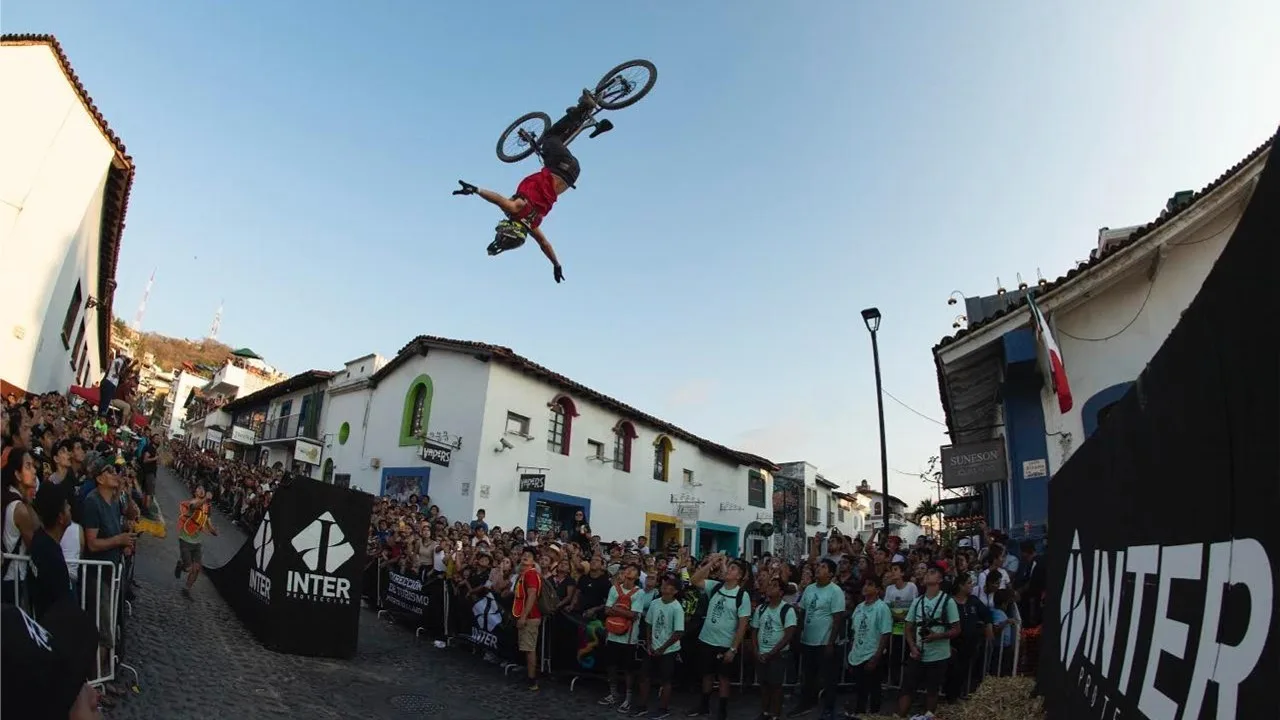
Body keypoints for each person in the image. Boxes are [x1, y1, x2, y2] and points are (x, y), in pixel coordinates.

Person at [454, 92, 600, 284]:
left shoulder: (532, 225)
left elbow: (544, 244)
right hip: (561, 166)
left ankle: (578, 119)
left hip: (569, 173)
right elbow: (498, 199)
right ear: (510, 227)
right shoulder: (515, 210)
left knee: (553, 144)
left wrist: (556, 264)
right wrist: (476, 190)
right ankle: (584, 108)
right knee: (549, 138)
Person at [687, 553, 752, 719]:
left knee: (724, 677)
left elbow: (742, 625)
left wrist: (733, 648)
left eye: (733, 568)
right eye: (728, 567)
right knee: (707, 674)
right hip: (706, 639)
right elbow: (694, 580)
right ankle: (704, 705)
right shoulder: (715, 586)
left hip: (724, 643)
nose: (728, 570)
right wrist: (710, 564)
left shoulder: (741, 595)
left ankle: (722, 709)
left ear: (739, 575)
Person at [897, 566, 960, 719]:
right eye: (927, 572)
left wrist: (937, 636)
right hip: (918, 652)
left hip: (938, 655)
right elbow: (908, 627)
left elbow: (957, 629)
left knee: (932, 690)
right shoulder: (917, 601)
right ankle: (899, 716)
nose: (927, 575)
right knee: (907, 688)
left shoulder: (948, 601)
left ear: (939, 580)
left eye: (932, 572)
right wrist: (912, 647)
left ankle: (928, 717)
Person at [791, 558, 846, 719]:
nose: (818, 569)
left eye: (823, 567)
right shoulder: (809, 589)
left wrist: (830, 642)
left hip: (825, 641)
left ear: (830, 573)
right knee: (808, 675)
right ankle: (806, 703)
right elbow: (802, 612)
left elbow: (837, 619)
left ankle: (829, 708)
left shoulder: (835, 591)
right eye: (818, 566)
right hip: (808, 640)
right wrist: (798, 634)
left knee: (828, 677)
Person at [598, 562, 647, 712]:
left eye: (633, 570)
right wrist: (623, 612)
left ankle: (628, 698)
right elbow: (607, 610)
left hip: (629, 638)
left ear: (637, 576)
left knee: (628, 669)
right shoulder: (614, 588)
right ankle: (613, 693)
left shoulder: (639, 593)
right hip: (612, 635)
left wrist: (616, 609)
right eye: (628, 569)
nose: (629, 571)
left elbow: (634, 615)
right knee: (611, 666)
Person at [636, 573, 684, 719]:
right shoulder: (655, 603)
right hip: (653, 647)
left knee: (666, 680)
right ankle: (642, 706)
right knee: (644, 677)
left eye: (669, 586)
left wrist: (662, 648)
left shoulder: (677, 608)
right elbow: (649, 623)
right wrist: (650, 644)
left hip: (668, 649)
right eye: (664, 585)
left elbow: (678, 632)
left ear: (675, 591)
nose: (664, 587)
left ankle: (663, 708)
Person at [751, 574, 797, 720]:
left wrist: (772, 652)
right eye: (770, 585)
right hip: (762, 652)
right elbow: (755, 630)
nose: (770, 587)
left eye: (775, 586)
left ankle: (775, 714)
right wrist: (756, 650)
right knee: (763, 684)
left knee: (776, 685)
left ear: (781, 592)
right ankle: (764, 711)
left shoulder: (787, 610)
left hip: (777, 654)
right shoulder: (761, 608)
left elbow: (788, 634)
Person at [847, 574, 892, 718]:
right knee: (860, 689)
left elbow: (885, 633)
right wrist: (852, 652)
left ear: (878, 589)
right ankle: (859, 713)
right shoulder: (859, 607)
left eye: (870, 584)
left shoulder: (882, 608)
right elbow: (855, 632)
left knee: (874, 689)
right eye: (865, 584)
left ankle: (874, 715)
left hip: (872, 653)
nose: (865, 587)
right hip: (858, 653)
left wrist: (876, 656)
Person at [174, 485, 218, 598]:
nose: (202, 490)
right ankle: (181, 565)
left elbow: (208, 522)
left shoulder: (207, 507)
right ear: (195, 492)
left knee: (197, 569)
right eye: (199, 488)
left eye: (203, 488)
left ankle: (187, 589)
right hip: (185, 539)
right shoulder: (192, 502)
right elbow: (194, 506)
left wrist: (214, 531)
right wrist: (205, 499)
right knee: (188, 568)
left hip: (197, 542)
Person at [512, 546, 543, 691]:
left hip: (530, 617)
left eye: (529, 556)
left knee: (530, 648)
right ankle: (529, 675)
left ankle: (532, 680)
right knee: (526, 646)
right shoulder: (523, 574)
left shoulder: (530, 575)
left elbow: (532, 595)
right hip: (525, 615)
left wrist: (524, 616)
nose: (525, 556)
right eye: (524, 554)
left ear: (533, 561)